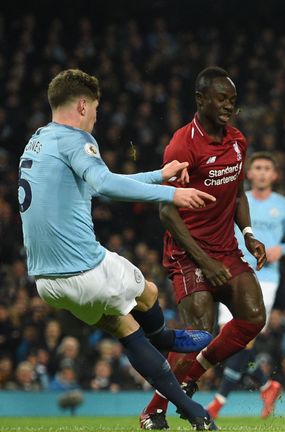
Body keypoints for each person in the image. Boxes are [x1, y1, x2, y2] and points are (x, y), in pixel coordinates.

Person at [19, 69, 218, 430]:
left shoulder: (39, 140)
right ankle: (167, 338)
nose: (96, 116)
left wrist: (159, 174)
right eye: (95, 108)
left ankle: (189, 410)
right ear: (82, 105)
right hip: (86, 268)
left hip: (47, 283)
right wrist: (174, 193)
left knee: (124, 325)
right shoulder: (75, 140)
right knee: (149, 293)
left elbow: (98, 187)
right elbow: (106, 183)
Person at [140, 66, 269, 430]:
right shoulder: (183, 144)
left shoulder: (237, 140)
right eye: (222, 98)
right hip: (188, 252)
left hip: (227, 248)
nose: (229, 106)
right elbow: (166, 209)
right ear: (201, 100)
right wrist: (204, 262)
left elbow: (238, 192)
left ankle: (189, 378)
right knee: (199, 333)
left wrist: (248, 233)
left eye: (233, 100)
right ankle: (153, 410)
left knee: (253, 317)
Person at [206, 152, 285, 419]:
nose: (261, 172)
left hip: (266, 277)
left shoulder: (284, 206)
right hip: (233, 271)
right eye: (257, 168)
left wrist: (279, 250)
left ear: (274, 175)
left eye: (266, 168)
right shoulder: (237, 199)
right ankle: (266, 385)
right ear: (248, 174)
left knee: (240, 337)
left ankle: (218, 403)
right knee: (229, 337)